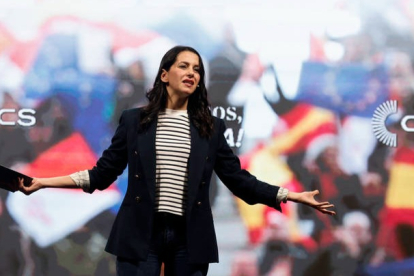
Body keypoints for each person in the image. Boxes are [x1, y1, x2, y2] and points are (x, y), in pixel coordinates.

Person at [15, 45, 336, 276]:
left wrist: (286, 195)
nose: (191, 74)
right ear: (165, 75)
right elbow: (100, 175)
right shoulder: (132, 121)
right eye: (184, 67)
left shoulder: (211, 127)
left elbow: (239, 180)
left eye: (196, 69)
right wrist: (44, 182)